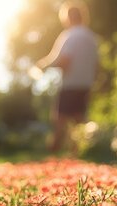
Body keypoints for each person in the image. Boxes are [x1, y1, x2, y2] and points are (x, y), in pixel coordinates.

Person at [33, 0, 98, 153]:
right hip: (85, 84)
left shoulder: (70, 36)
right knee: (79, 120)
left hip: (70, 84)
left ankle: (52, 153)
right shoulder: (91, 38)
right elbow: (96, 65)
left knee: (60, 120)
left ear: (68, 17)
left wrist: (43, 66)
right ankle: (79, 153)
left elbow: (64, 61)